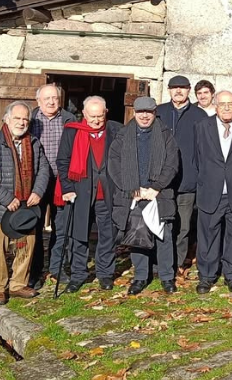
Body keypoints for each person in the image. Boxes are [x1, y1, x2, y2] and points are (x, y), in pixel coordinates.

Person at [0, 101, 51, 305]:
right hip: (0, 209)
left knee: (26, 246)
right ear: (7, 119)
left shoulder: (34, 143)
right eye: (17, 118)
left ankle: (19, 284)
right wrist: (7, 198)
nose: (21, 122)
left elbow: (44, 169)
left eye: (25, 119)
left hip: (27, 207)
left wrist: (38, 191)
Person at [109, 96, 181, 294]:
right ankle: (140, 277)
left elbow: (172, 163)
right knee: (137, 236)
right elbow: (114, 164)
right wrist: (132, 188)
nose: (144, 116)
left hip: (159, 193)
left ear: (154, 112)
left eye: (148, 112)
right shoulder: (123, 135)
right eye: (141, 112)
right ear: (134, 112)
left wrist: (156, 187)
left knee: (164, 236)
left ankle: (167, 277)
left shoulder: (165, 135)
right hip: (134, 193)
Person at [53, 96, 123, 293]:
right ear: (84, 114)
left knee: (108, 235)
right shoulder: (72, 132)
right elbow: (63, 161)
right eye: (92, 116)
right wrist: (67, 188)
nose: (96, 121)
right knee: (79, 235)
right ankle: (78, 274)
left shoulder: (116, 130)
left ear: (106, 113)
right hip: (80, 192)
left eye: (100, 116)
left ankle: (105, 274)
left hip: (107, 193)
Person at [192, 91, 232, 293]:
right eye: (223, 104)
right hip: (210, 191)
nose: (227, 108)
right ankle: (207, 276)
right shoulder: (202, 127)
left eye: (230, 104)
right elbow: (196, 158)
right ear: (216, 106)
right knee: (208, 237)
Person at [154, 75, 205, 275]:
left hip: (187, 179)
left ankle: (176, 264)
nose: (178, 91)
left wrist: (198, 173)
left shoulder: (199, 116)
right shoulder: (159, 112)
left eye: (182, 88)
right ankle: (160, 263)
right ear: (169, 90)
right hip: (161, 181)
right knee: (161, 223)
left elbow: (204, 148)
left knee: (183, 226)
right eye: (174, 88)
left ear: (189, 90)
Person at [30, 83, 77, 290]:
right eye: (47, 98)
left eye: (55, 98)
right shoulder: (29, 120)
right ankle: (35, 270)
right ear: (38, 101)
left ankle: (57, 268)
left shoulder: (70, 120)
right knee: (35, 227)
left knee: (62, 227)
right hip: (36, 182)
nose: (51, 102)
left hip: (62, 182)